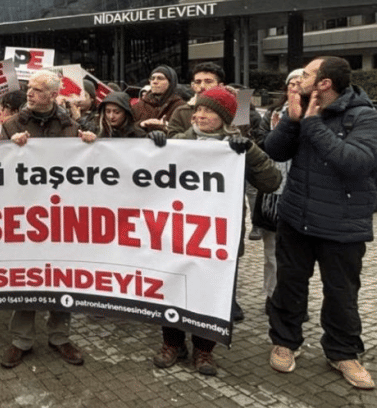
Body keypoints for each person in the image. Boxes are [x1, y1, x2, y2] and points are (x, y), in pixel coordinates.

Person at [265, 56, 377, 389]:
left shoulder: (366, 116)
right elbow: (275, 151)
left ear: (324, 83)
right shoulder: (298, 111)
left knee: (342, 295)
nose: (298, 80)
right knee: (289, 287)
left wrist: (311, 124)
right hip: (296, 219)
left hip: (343, 226)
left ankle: (343, 352)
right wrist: (291, 121)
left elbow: (354, 162)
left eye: (307, 75)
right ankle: (285, 342)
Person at [153, 86, 281, 376]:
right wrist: (155, 146)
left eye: (207, 111)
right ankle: (172, 343)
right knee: (172, 288)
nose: (198, 115)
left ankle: (204, 350)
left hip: (218, 237)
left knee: (211, 292)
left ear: (224, 117)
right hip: (178, 231)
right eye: (197, 110)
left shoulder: (238, 147)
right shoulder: (178, 143)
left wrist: (249, 152)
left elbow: (271, 181)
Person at [0, 69, 96, 369]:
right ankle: (21, 341)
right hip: (26, 216)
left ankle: (59, 337)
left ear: (54, 96)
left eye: (39, 89)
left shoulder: (71, 126)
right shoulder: (12, 124)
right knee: (26, 278)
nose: (30, 93)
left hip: (60, 217)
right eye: (30, 87)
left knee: (61, 277)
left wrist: (93, 145)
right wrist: (7, 148)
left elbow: (84, 169)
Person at [255, 69, 301, 317]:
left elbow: (244, 126)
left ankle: (293, 299)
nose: (294, 87)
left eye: (299, 83)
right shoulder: (273, 113)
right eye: (290, 83)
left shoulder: (317, 114)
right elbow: (257, 140)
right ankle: (271, 296)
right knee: (271, 252)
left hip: (298, 190)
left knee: (296, 257)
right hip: (271, 191)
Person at [167, 62, 225, 137]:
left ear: (220, 86)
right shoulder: (181, 112)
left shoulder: (233, 111)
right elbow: (172, 142)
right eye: (198, 82)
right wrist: (195, 130)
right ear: (193, 86)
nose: (202, 86)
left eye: (208, 82)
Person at [132, 65, 186, 133]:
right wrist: (141, 124)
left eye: (160, 78)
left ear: (171, 82)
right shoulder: (138, 106)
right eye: (152, 78)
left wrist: (167, 126)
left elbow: (185, 132)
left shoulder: (181, 107)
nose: (155, 82)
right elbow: (127, 129)